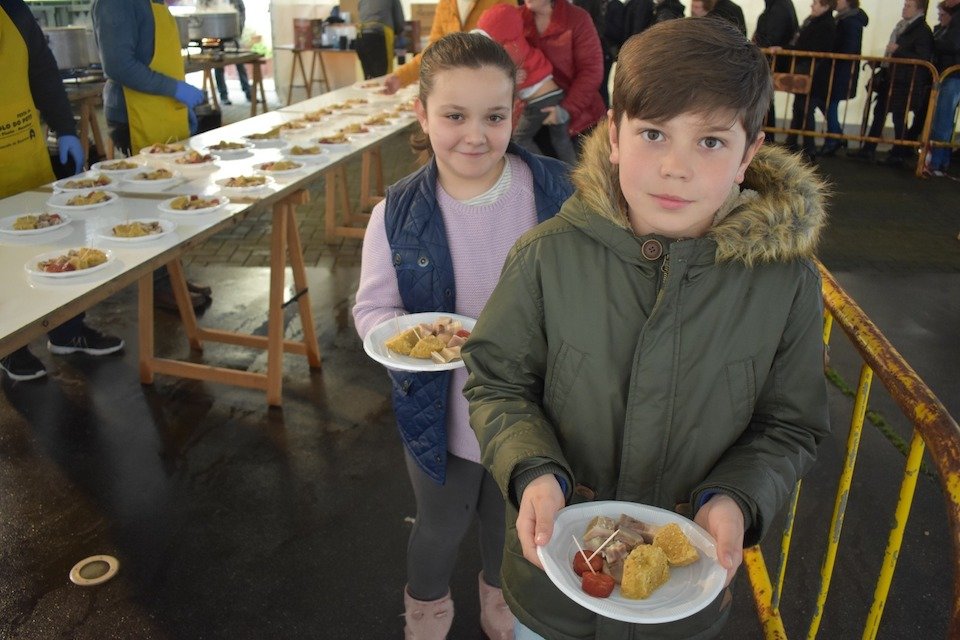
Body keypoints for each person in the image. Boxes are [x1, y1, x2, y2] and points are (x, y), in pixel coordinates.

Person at [462, 18, 830, 640]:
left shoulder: (784, 283)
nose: (675, 168)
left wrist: (736, 498)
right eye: (654, 133)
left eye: (710, 141)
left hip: (681, 600)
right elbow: (497, 383)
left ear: (749, 155)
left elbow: (789, 425)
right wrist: (532, 469)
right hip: (556, 587)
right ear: (613, 135)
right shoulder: (546, 256)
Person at [352, 32, 574, 640]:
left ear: (515, 115)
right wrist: (405, 338)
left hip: (531, 410)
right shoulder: (396, 213)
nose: (475, 135)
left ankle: (501, 603)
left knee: (510, 524)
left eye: (493, 117)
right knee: (440, 526)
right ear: (422, 115)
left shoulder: (559, 193)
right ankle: (426, 610)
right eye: (454, 116)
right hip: (441, 412)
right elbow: (374, 308)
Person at [0, 0, 123, 381]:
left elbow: (42, 70)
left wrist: (65, 128)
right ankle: (10, 346)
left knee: (52, 243)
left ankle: (68, 331)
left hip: (25, 157)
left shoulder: (13, 9)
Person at [92, 0, 212, 311]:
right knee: (149, 207)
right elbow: (118, 65)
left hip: (164, 113)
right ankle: (158, 285)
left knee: (171, 203)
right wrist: (174, 89)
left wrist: (180, 104)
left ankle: (173, 277)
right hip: (135, 116)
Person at [476, 4, 578, 163]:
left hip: (539, 101)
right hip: (555, 94)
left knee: (519, 138)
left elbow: (506, 85)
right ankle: (577, 175)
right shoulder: (519, 45)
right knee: (561, 140)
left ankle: (543, 169)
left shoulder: (509, 54)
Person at [850, 0, 933, 167]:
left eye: (908, 6)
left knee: (898, 117)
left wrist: (898, 50)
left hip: (905, 81)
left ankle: (897, 152)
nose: (904, 8)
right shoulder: (904, 27)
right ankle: (871, 149)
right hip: (893, 78)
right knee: (882, 113)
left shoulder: (922, 31)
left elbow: (923, 58)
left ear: (919, 10)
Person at [520, 0, 607, 155]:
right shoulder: (516, 18)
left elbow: (591, 71)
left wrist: (566, 110)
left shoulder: (577, 18)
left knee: (578, 169)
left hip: (578, 120)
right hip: (534, 119)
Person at [380, 0, 513, 94]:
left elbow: (513, 49)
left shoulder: (501, 2)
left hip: (491, 93)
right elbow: (434, 53)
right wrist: (400, 77)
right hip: (454, 93)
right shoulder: (446, 3)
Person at [781, 0, 837, 164]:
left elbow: (809, 47)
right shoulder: (817, 22)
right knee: (800, 109)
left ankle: (806, 148)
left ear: (825, 6)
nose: (812, 6)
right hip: (810, 73)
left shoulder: (825, 25)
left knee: (805, 110)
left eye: (816, 3)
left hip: (814, 74)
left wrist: (788, 49)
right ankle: (795, 145)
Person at [821, 0, 869, 157]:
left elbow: (849, 48)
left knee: (830, 103)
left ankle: (834, 138)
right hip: (840, 70)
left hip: (841, 71)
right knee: (829, 103)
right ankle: (836, 136)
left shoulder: (850, 22)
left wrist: (832, 53)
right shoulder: (844, 19)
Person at [753, 0, 799, 140]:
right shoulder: (780, 5)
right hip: (770, 60)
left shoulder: (778, 8)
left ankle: (767, 137)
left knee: (764, 99)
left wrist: (758, 49)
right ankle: (767, 136)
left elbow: (772, 37)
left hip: (771, 61)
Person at [925, 0, 960, 176]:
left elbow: (953, 44)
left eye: (942, 15)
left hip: (952, 74)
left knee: (942, 121)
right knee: (944, 121)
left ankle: (936, 162)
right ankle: (940, 161)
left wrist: (933, 41)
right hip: (950, 74)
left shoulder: (957, 19)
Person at [212, 0, 251, 104]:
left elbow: (242, 12)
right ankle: (223, 96)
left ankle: (248, 92)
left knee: (240, 64)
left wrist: (239, 29)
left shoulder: (236, 2)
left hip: (234, 34)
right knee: (218, 66)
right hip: (216, 34)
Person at [357, 0, 406, 79]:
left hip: (361, 37)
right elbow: (399, 23)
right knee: (384, 78)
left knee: (369, 79)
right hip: (380, 37)